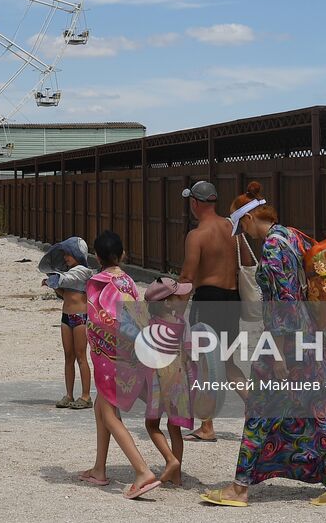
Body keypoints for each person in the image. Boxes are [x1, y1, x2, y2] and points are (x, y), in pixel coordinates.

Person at [200, 198, 326, 508]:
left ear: (247, 221)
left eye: (242, 227)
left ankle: (240, 487)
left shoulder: (272, 248)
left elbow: (282, 302)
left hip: (284, 343)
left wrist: (276, 352)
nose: (243, 234)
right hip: (309, 335)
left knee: (261, 410)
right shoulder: (291, 235)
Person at [78, 230, 161, 500]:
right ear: (122, 254)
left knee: (109, 414)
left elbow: (95, 319)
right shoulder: (127, 281)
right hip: (131, 353)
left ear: (97, 256)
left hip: (108, 357)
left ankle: (142, 470)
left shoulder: (97, 283)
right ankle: (99, 469)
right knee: (101, 407)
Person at [178, 180, 240, 443]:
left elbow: (187, 277)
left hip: (208, 300)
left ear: (195, 203)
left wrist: (175, 312)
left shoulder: (197, 235)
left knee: (203, 363)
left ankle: (207, 425)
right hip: (232, 298)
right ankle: (260, 412)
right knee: (226, 362)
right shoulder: (231, 227)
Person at [142, 277, 195, 487]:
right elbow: (190, 354)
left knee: (152, 425)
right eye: (177, 296)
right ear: (167, 302)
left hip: (158, 381)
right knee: (175, 428)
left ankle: (170, 460)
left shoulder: (151, 326)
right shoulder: (182, 322)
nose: (182, 298)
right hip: (180, 380)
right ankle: (177, 475)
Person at [39, 237, 95, 409]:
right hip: (66, 317)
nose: (65, 258)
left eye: (68, 254)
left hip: (80, 318)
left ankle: (86, 396)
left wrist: (54, 280)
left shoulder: (82, 272)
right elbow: (66, 294)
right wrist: (54, 286)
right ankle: (69, 394)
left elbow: (65, 279)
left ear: (77, 255)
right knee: (68, 356)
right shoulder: (70, 272)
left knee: (81, 356)